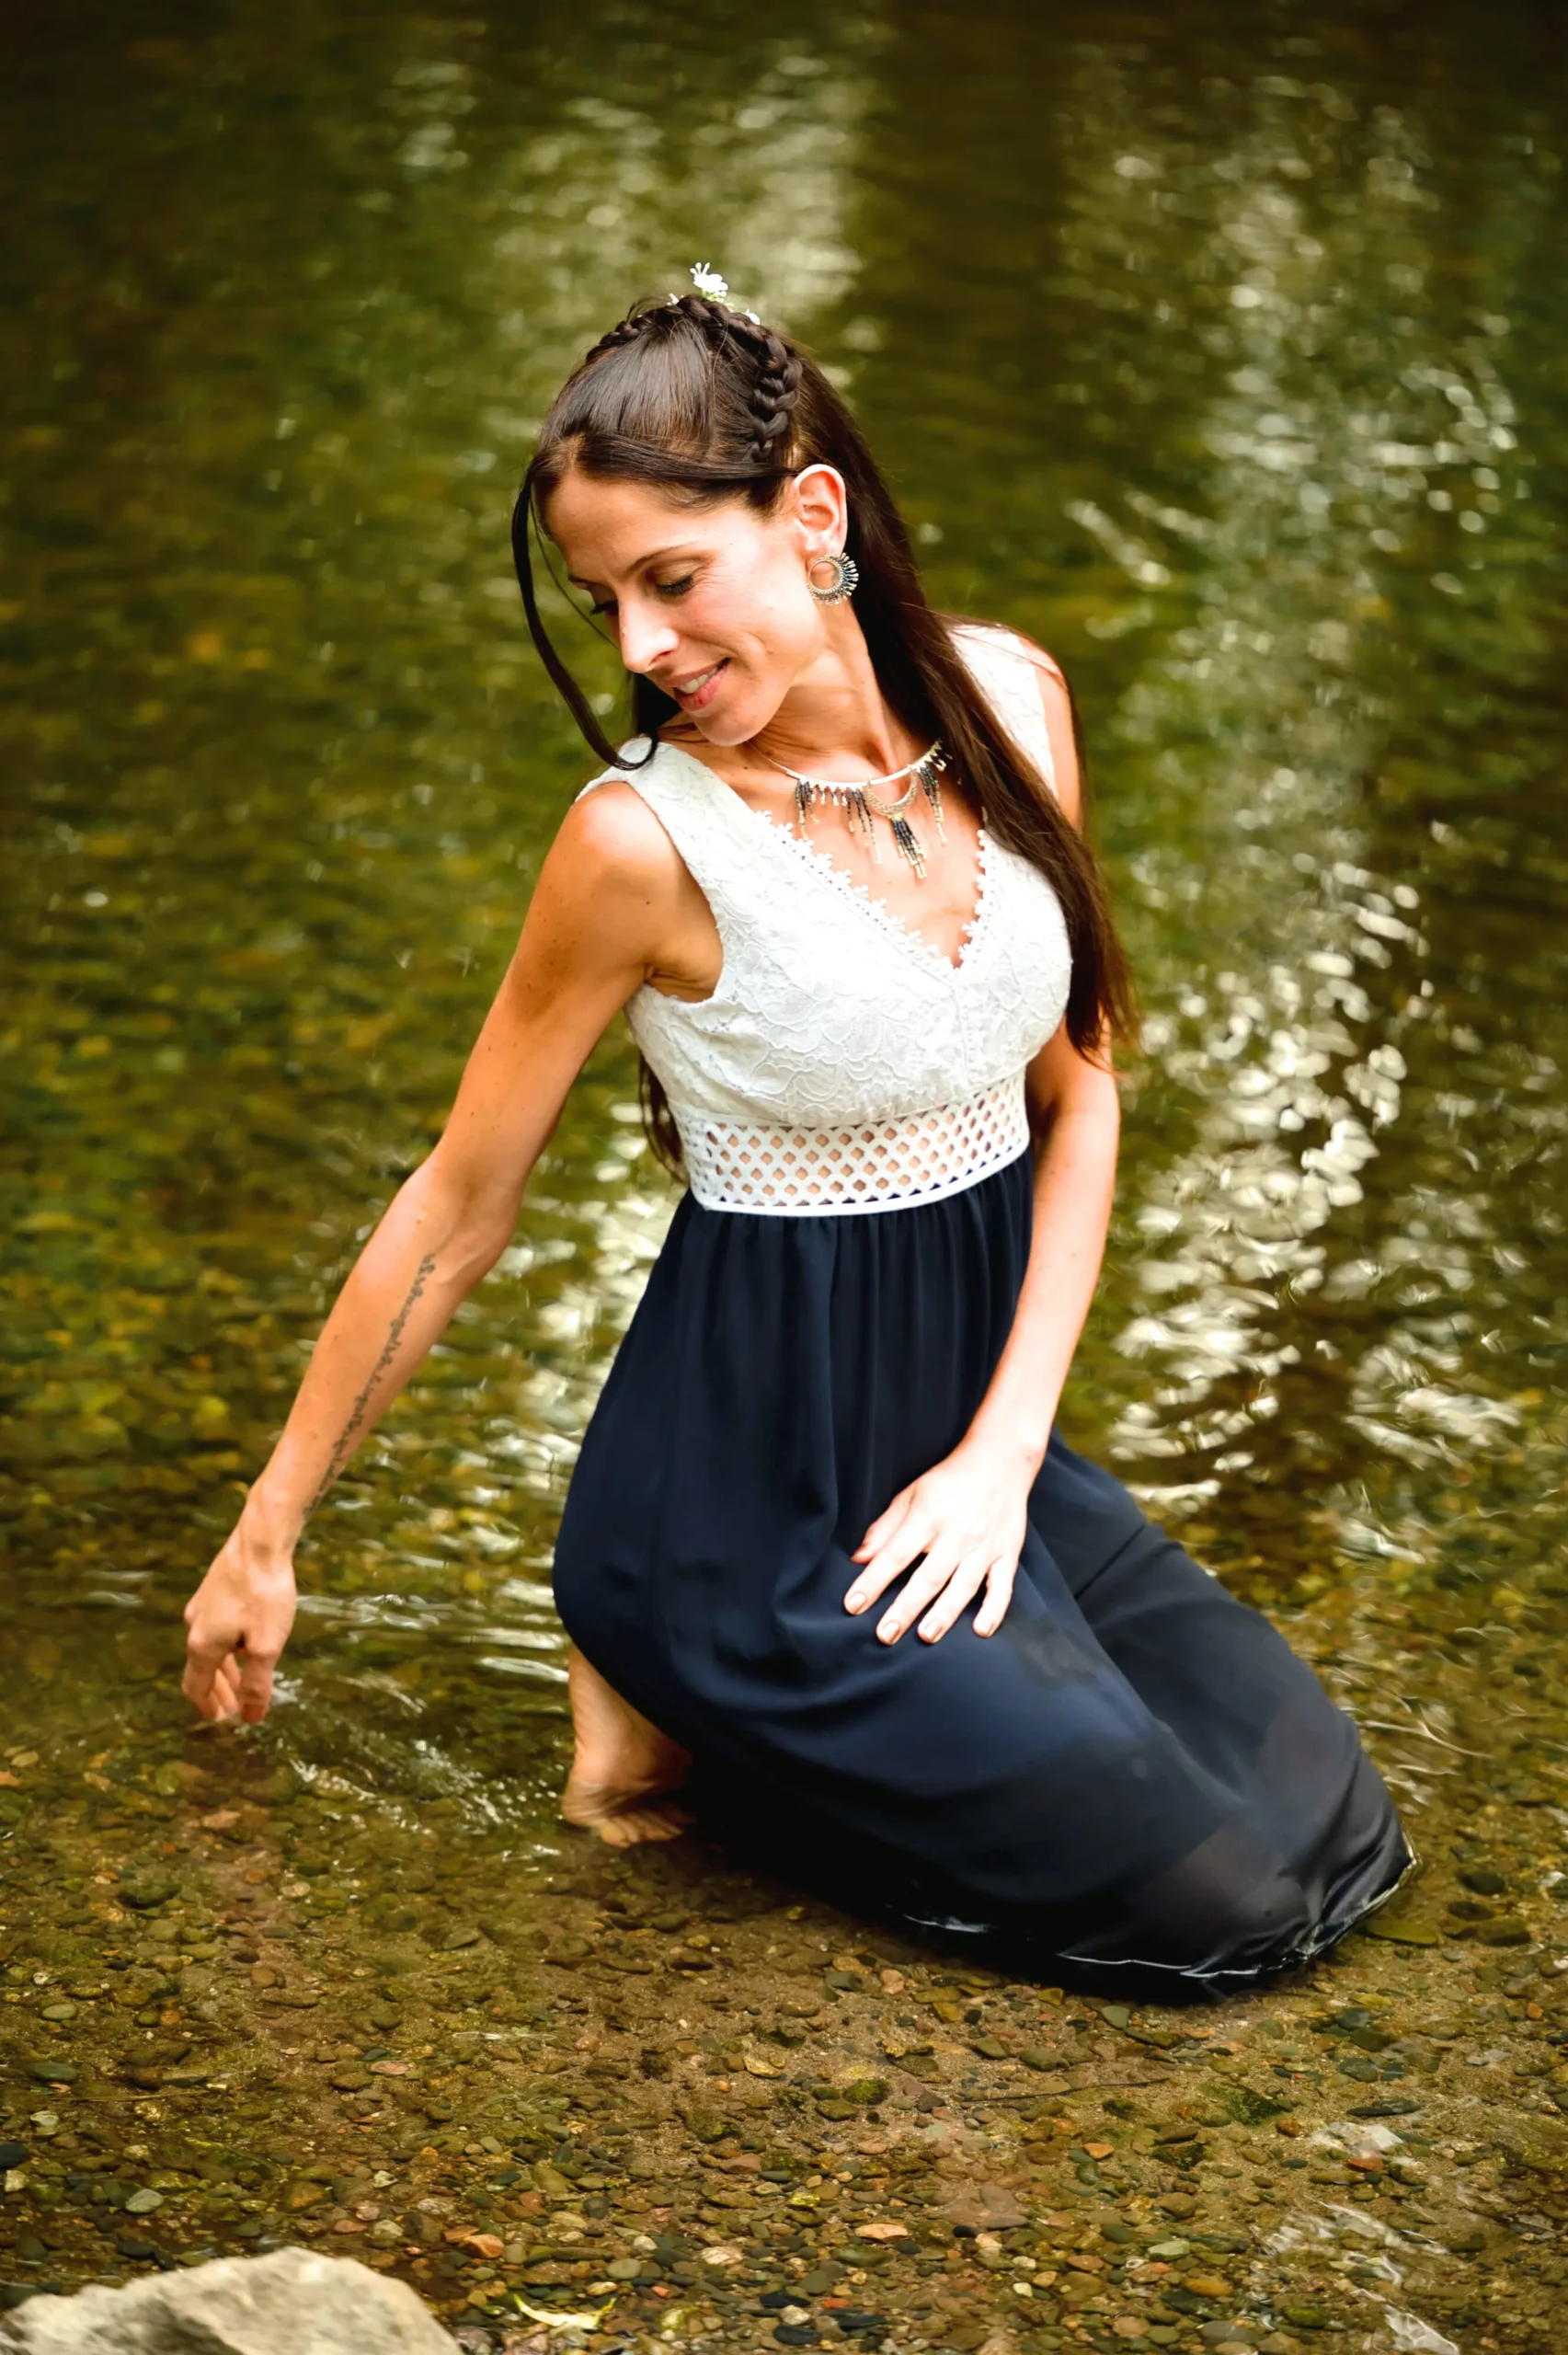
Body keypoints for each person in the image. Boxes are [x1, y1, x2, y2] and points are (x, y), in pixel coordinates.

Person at [183, 270, 1412, 1993]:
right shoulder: (638, 850)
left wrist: (1001, 1460)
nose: (638, 648)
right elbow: (460, 1205)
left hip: (976, 1467)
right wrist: (268, 1535)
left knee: (1330, 1830)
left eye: (672, 580)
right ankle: (661, 1662)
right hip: (746, 1521)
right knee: (1216, 1916)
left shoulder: (1012, 709)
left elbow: (1083, 1095)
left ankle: (687, 1729)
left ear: (811, 513)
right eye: (604, 600)